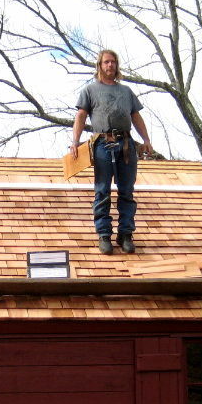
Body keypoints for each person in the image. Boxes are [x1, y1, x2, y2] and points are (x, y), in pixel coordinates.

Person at [70, 49, 154, 254]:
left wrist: (146, 140)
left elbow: (136, 116)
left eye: (113, 62)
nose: (110, 66)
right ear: (99, 65)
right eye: (106, 62)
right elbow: (80, 116)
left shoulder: (125, 91)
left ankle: (125, 234)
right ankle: (104, 234)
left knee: (127, 191)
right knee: (102, 191)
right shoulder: (90, 90)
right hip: (102, 143)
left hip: (125, 143)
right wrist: (75, 141)